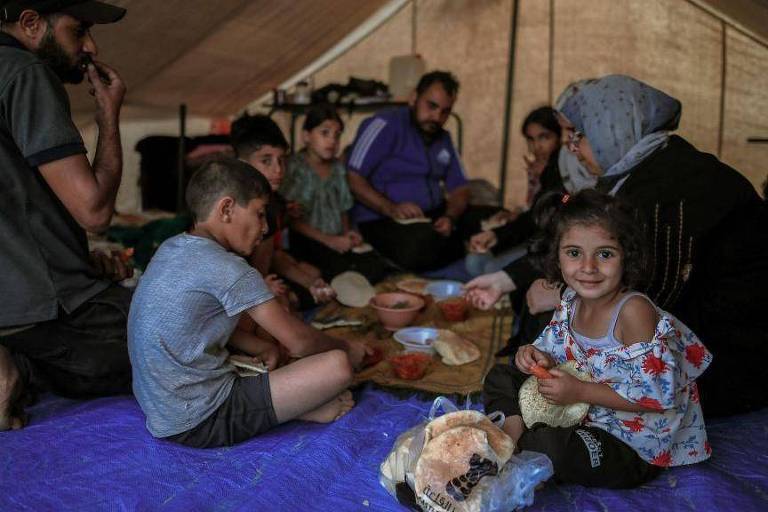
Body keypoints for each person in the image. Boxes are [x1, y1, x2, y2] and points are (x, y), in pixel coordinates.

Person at [470, 75, 768, 416]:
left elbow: (654, 296)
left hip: (725, 361)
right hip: (707, 337)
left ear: (613, 129)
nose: (572, 147)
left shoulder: (667, 191)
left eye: (581, 136)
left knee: (554, 319)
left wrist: (563, 296)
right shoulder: (652, 167)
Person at [474, 189, 712, 488]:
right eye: (574, 253)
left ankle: (525, 444)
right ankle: (513, 433)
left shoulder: (634, 312)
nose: (588, 267)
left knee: (555, 449)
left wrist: (579, 392)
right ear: (557, 256)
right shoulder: (571, 300)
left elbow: (655, 397)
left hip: (629, 440)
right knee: (502, 375)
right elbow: (554, 353)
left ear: (628, 256)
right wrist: (537, 357)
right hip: (579, 408)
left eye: (605, 254)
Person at [128, 157, 370, 448]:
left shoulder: (172, 247)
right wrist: (348, 347)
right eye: (259, 214)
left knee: (270, 341)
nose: (266, 227)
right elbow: (300, 343)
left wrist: (261, 347)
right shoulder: (228, 267)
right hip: (201, 418)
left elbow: (196, 326)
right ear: (227, 209)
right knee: (337, 366)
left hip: (161, 407)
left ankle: (292, 404)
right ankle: (298, 409)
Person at [0, 0, 130, 431]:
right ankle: (30, 366)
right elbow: (94, 213)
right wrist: (109, 118)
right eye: (78, 31)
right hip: (50, 311)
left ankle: (20, 363)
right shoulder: (25, 73)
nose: (90, 46)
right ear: (32, 23)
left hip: (14, 307)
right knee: (188, 322)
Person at [347, 70, 493, 271]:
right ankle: (465, 247)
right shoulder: (383, 125)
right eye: (431, 106)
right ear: (414, 98)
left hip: (432, 216)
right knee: (421, 245)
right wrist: (391, 208)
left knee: (496, 220)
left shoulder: (444, 138)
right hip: (382, 219)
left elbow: (460, 188)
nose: (436, 117)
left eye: (445, 111)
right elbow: (353, 177)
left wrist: (450, 217)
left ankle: (462, 245)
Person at [230, 114, 335, 311]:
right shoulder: (242, 207)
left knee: (312, 274)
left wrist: (310, 282)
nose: (278, 169)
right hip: (231, 288)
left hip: (254, 275)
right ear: (241, 163)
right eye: (266, 161)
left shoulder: (273, 202)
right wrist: (261, 285)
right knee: (284, 303)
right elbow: (249, 269)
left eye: (282, 160)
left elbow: (273, 256)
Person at [280, 104, 393, 283]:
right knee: (342, 271)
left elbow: (343, 209)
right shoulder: (295, 168)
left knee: (376, 266)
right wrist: (329, 240)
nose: (332, 141)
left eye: (337, 135)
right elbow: (292, 220)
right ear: (306, 136)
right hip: (307, 240)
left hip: (336, 239)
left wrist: (347, 233)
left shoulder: (338, 169)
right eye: (325, 133)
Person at [465, 107, 566, 277]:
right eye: (531, 139)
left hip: (550, 241)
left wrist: (497, 235)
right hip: (529, 231)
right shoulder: (539, 167)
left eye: (544, 137)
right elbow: (534, 209)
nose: (537, 146)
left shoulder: (563, 169)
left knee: (491, 269)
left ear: (559, 137)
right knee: (475, 261)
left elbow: (545, 215)